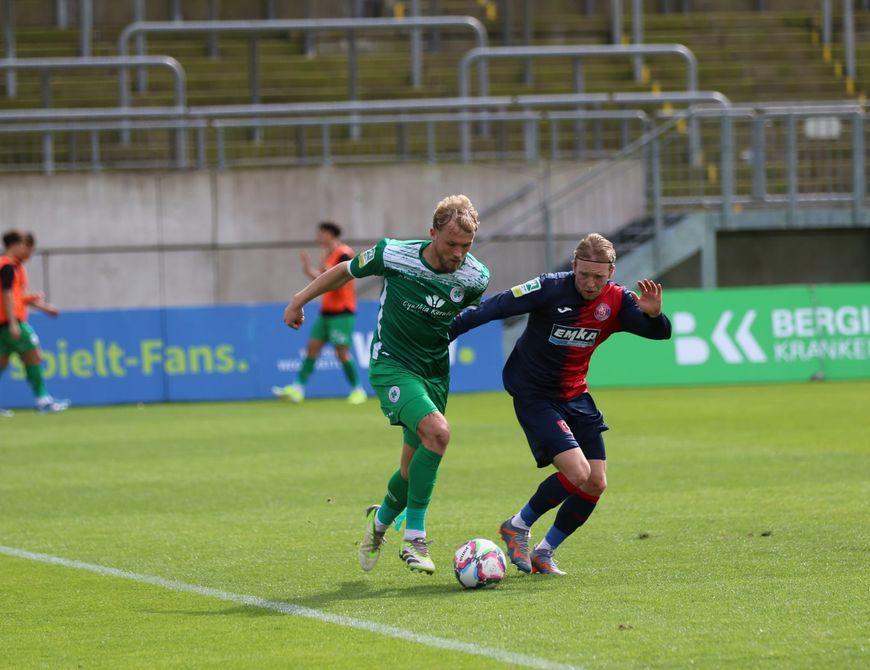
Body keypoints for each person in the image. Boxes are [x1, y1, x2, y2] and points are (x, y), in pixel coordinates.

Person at [283, 195, 490, 574]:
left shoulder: (475, 277)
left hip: (434, 373)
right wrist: (299, 300)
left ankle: (378, 524)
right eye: (451, 244)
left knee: (412, 469)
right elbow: (345, 270)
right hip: (392, 365)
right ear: (432, 234)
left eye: (466, 246)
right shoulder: (394, 255)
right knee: (439, 434)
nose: (458, 254)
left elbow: (465, 314)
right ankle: (415, 538)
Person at [449, 233, 671, 575]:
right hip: (535, 394)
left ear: (611, 271)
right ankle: (517, 526)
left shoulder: (617, 301)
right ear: (573, 267)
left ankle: (544, 551)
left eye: (599, 276)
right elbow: (498, 306)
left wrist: (655, 315)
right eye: (584, 274)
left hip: (575, 395)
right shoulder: (549, 288)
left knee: (596, 482)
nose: (591, 283)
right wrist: (448, 330)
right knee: (578, 471)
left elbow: (659, 333)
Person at [273, 221, 367, 405]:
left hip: (342, 311)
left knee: (341, 352)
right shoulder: (328, 255)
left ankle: (358, 390)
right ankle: (298, 388)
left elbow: (341, 279)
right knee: (312, 348)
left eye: (321, 233)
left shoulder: (344, 253)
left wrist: (317, 273)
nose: (318, 236)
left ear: (330, 234)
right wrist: (310, 271)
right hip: (326, 311)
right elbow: (325, 280)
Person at [0, 230, 70, 415]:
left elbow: (16, 297)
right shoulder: (8, 267)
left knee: (2, 362)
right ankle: (43, 400)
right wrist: (14, 323)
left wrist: (43, 307)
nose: (29, 253)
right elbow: (6, 295)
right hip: (10, 323)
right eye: (27, 247)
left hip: (4, 324)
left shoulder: (11, 266)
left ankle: (43, 399)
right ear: (15, 245)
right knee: (34, 357)